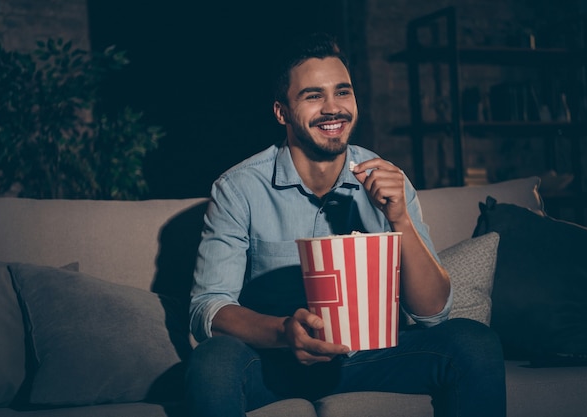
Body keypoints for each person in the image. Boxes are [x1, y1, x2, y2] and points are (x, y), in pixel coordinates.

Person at [186, 32, 506, 417]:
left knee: (473, 342)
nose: (332, 108)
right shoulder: (238, 189)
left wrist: (399, 218)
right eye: (313, 95)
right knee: (213, 361)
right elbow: (208, 308)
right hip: (274, 363)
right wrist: (285, 332)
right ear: (281, 111)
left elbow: (433, 313)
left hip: (368, 359)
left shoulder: (389, 180)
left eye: (342, 92)